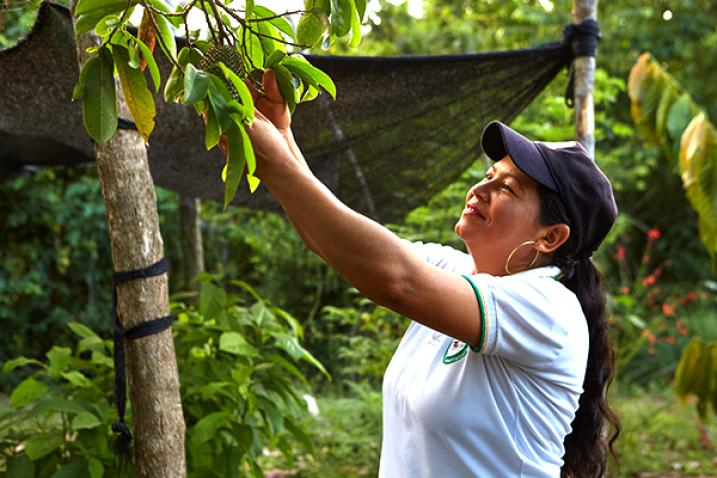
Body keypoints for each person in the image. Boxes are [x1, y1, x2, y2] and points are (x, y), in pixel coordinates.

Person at [244, 71, 620, 477]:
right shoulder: (455, 270)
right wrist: (281, 137)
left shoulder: (550, 309)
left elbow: (397, 281)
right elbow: (333, 241)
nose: (480, 190)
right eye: (489, 176)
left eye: (507, 188)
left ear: (551, 236)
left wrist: (278, 164)